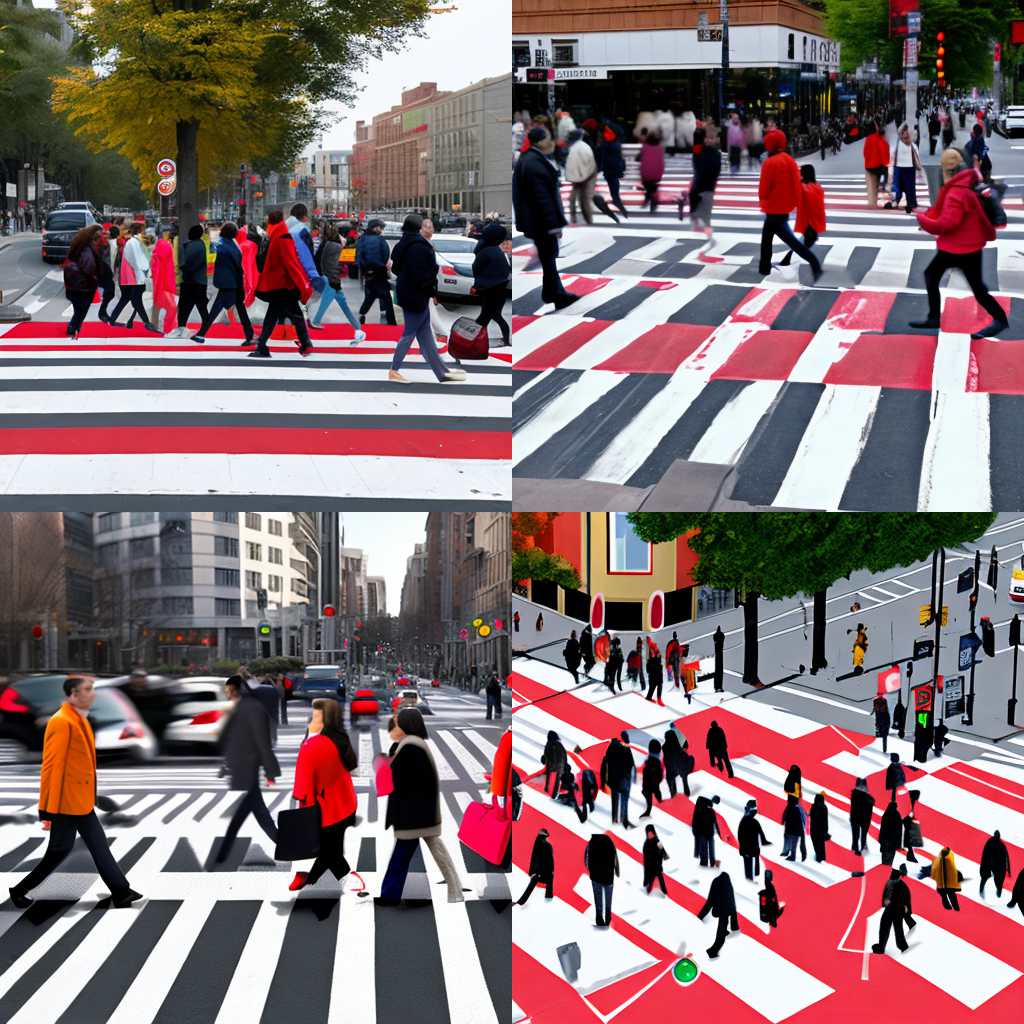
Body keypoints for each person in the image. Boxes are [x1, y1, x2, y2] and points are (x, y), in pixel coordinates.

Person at [8, 675, 143, 909]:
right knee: (59, 851)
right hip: (65, 803)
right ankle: (20, 889)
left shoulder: (78, 719)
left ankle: (121, 892)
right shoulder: (61, 722)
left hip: (79, 801)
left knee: (93, 846)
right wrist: (47, 810)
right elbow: (52, 767)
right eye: (87, 690)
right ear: (73, 694)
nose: (92, 694)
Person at [910, 147, 1007, 339]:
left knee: (970, 287)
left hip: (959, 248)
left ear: (946, 170)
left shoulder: (956, 192)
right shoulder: (967, 185)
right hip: (965, 246)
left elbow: (947, 223)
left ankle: (1000, 320)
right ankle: (934, 317)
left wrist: (922, 219)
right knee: (938, 277)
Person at [377, 709, 464, 905]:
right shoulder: (411, 745)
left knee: (401, 857)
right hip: (420, 813)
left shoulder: (411, 748)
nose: (395, 726)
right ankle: (455, 891)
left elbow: (400, 781)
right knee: (434, 852)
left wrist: (386, 764)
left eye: (398, 723)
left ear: (407, 725)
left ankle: (389, 896)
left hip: (414, 815)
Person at [288, 698, 357, 892]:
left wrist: (302, 803)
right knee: (331, 849)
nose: (311, 720)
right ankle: (311, 880)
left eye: (315, 716)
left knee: (329, 851)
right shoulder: (340, 739)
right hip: (344, 804)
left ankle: (346, 883)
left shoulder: (312, 745)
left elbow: (302, 786)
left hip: (324, 809)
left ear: (326, 720)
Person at [389, 213, 465, 385]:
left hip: (409, 293)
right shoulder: (419, 247)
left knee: (426, 336)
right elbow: (423, 274)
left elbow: (397, 269)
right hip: (417, 295)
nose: (427, 228)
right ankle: (394, 369)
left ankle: (442, 372)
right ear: (418, 228)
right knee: (409, 334)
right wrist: (431, 287)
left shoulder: (403, 244)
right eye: (424, 225)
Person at [216, 675, 280, 863]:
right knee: (254, 810)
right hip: (243, 766)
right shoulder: (240, 708)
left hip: (248, 766)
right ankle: (283, 843)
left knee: (248, 811)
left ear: (235, 689)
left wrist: (270, 770)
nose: (226, 693)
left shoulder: (250, 708)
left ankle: (223, 852)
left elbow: (262, 741)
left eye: (227, 689)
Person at [512, 126, 576, 310]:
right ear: (540, 140)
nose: (551, 141)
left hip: (537, 221)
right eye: (548, 137)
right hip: (541, 222)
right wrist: (553, 225)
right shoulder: (533, 162)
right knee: (548, 258)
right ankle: (554, 294)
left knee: (549, 258)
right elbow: (542, 198)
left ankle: (555, 293)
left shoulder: (531, 159)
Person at [249, 210, 314, 359]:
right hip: (282, 285)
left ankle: (264, 346)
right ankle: (304, 343)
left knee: (281, 316)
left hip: (282, 285)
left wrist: (301, 283)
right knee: (282, 315)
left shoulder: (281, 237)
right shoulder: (280, 235)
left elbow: (290, 263)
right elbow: (291, 263)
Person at [758, 130, 822, 280]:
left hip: (773, 207)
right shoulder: (789, 160)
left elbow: (764, 188)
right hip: (784, 207)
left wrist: (763, 199)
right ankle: (764, 267)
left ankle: (814, 263)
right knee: (767, 238)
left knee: (789, 241)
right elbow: (796, 185)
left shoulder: (769, 163)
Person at [190, 222, 253, 344]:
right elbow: (239, 268)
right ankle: (249, 335)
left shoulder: (220, 244)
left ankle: (201, 334)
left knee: (217, 310)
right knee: (239, 310)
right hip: (233, 283)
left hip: (226, 283)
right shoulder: (233, 247)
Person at [309, 223, 366, 341]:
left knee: (343, 305)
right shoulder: (336, 247)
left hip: (331, 278)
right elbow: (349, 259)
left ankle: (357, 326)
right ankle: (315, 321)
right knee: (328, 304)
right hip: (333, 280)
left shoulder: (328, 245)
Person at [106, 223, 160, 332]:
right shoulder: (136, 243)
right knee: (136, 300)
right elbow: (138, 261)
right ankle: (147, 323)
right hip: (134, 278)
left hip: (126, 278)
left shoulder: (131, 242)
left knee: (126, 298)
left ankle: (114, 319)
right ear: (140, 231)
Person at [166, 223, 209, 338]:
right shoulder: (200, 244)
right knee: (199, 307)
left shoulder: (192, 246)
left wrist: (183, 269)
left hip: (191, 281)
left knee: (185, 306)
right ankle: (201, 328)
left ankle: (182, 328)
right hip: (198, 282)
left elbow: (190, 264)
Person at [472, 220, 511, 346]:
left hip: (488, 290)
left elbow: (476, 268)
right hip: (497, 290)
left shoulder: (483, 249)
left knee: (486, 317)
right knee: (489, 317)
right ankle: (474, 340)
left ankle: (475, 339)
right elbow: (505, 271)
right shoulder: (494, 251)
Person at [779, 165, 825, 270]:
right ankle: (813, 265)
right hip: (809, 220)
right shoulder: (807, 186)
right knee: (807, 242)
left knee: (806, 243)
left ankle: (787, 259)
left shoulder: (811, 185)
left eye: (801, 172)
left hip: (812, 220)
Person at [63, 224, 102, 340]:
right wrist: (95, 279)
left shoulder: (78, 246)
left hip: (73, 285)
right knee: (81, 311)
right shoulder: (88, 250)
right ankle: (73, 330)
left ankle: (74, 328)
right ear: (94, 239)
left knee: (78, 310)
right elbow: (89, 267)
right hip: (84, 287)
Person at [355, 219, 397, 326]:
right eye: (381, 227)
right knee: (386, 297)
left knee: (371, 295)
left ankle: (361, 314)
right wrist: (382, 266)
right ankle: (391, 322)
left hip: (368, 272)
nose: (382, 230)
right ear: (375, 227)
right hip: (380, 271)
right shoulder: (380, 240)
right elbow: (386, 254)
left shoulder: (362, 239)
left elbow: (358, 257)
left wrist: (364, 270)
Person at [698, 869, 739, 958]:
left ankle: (713, 952)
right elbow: (732, 899)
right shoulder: (727, 881)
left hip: (723, 909)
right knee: (722, 929)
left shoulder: (716, 881)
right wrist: (735, 925)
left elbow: (710, 901)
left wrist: (699, 917)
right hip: (730, 909)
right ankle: (714, 948)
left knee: (721, 931)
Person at [871, 869, 910, 954]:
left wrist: (886, 902)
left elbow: (888, 895)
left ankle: (883, 947)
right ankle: (902, 946)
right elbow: (906, 898)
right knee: (896, 928)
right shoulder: (900, 884)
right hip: (895, 908)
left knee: (888, 927)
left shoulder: (893, 883)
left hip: (895, 908)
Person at [585, 832, 619, 926]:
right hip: (608, 877)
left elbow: (586, 859)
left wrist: (589, 869)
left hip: (595, 877)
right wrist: (617, 870)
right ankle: (608, 917)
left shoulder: (591, 842)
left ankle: (599, 918)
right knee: (608, 899)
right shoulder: (609, 841)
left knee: (598, 898)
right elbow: (615, 858)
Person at [599, 735, 634, 826]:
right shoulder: (626, 749)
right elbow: (631, 764)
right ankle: (624, 819)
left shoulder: (609, 749)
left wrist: (603, 781)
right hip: (624, 779)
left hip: (613, 780)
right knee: (624, 799)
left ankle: (614, 819)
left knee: (614, 800)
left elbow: (604, 765)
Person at [597, 120, 629, 219]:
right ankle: (618, 203)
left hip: (610, 167)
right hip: (614, 166)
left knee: (613, 186)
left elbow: (603, 155)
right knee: (614, 185)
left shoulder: (607, 140)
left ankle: (618, 203)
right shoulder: (614, 138)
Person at [887, 123, 921, 213]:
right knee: (897, 187)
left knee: (910, 188)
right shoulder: (897, 145)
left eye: (906, 132)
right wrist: (891, 170)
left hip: (909, 169)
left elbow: (917, 157)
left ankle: (911, 203)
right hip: (898, 168)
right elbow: (892, 157)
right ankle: (895, 201)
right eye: (903, 133)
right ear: (900, 134)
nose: (905, 134)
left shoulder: (913, 145)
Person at [565, 129, 597, 225]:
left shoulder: (575, 148)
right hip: (586, 175)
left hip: (583, 176)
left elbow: (573, 165)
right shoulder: (583, 147)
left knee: (579, 199)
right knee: (583, 199)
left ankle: (578, 219)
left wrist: (576, 177)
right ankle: (587, 220)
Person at [517, 828, 554, 904]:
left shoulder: (539, 843)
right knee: (547, 880)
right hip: (543, 870)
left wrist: (532, 872)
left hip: (538, 870)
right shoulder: (548, 845)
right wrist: (552, 870)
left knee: (532, 885)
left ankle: (521, 902)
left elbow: (534, 857)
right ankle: (548, 898)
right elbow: (550, 860)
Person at [738, 799, 770, 879]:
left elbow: (741, 836)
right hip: (750, 848)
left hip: (750, 848)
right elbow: (741, 836)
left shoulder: (748, 821)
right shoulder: (752, 822)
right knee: (750, 867)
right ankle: (750, 879)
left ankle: (750, 879)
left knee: (749, 867)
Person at [863, 121, 890, 208]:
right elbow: (886, 151)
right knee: (877, 184)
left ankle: (872, 203)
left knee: (871, 186)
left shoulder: (868, 139)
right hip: (880, 166)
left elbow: (865, 153)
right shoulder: (881, 138)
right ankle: (879, 200)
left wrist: (868, 159)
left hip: (870, 166)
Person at [692, 794, 722, 867]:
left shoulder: (708, 811)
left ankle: (707, 862)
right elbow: (715, 823)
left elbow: (715, 822)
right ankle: (706, 863)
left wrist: (719, 833)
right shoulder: (703, 810)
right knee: (706, 849)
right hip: (704, 832)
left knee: (707, 849)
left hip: (707, 833)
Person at [638, 130, 665, 212]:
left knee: (648, 185)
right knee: (653, 187)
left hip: (645, 173)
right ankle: (652, 200)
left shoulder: (645, 147)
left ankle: (649, 198)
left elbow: (639, 157)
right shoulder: (660, 148)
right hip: (657, 173)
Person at [980, 830, 1012, 897]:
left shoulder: (991, 842)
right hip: (993, 864)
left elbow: (984, 854)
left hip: (995, 865)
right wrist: (1008, 870)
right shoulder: (1000, 845)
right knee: (990, 879)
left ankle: (997, 890)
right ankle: (996, 890)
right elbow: (1006, 858)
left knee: (989, 879)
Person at [849, 778, 875, 855]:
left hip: (855, 817)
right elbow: (869, 809)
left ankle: (855, 849)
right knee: (863, 835)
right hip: (865, 818)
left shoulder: (854, 795)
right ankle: (863, 848)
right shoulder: (868, 798)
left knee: (855, 835)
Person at [662, 728, 690, 798]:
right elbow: (685, 747)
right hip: (679, 767)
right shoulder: (677, 745)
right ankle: (685, 785)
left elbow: (664, 759)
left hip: (670, 769)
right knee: (684, 773)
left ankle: (673, 792)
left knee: (670, 777)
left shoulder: (664, 747)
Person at [640, 738, 663, 818]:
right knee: (657, 793)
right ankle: (660, 804)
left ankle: (650, 809)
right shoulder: (656, 762)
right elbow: (660, 775)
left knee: (650, 793)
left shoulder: (649, 762)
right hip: (654, 783)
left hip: (649, 784)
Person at [643, 825, 669, 894]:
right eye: (648, 834)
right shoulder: (647, 844)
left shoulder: (656, 841)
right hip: (653, 865)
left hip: (657, 864)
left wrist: (664, 855)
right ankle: (649, 890)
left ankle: (663, 890)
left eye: (651, 833)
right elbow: (646, 858)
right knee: (653, 878)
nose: (650, 835)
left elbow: (662, 849)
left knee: (659, 877)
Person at [781, 794, 807, 861]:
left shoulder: (789, 807)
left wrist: (783, 821)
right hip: (797, 829)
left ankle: (790, 855)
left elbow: (785, 816)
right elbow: (804, 817)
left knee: (791, 842)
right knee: (794, 843)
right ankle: (793, 855)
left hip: (791, 829)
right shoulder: (799, 808)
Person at [542, 730, 567, 799]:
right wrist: (565, 764)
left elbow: (547, 754)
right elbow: (564, 755)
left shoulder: (549, 743)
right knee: (557, 779)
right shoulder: (559, 744)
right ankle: (554, 794)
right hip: (559, 765)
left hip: (551, 764)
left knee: (549, 776)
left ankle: (547, 788)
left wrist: (545, 760)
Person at [878, 800, 903, 865]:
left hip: (885, 842)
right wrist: (899, 844)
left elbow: (882, 828)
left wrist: (881, 839)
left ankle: (883, 872)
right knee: (890, 861)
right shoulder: (897, 815)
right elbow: (899, 831)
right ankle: (887, 872)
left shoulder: (886, 814)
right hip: (893, 843)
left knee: (884, 861)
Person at [809, 792, 830, 862]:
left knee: (816, 843)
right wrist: (826, 831)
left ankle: (819, 856)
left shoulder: (814, 806)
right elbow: (825, 820)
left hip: (814, 829)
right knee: (821, 844)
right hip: (821, 830)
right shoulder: (824, 807)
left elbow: (810, 815)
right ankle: (821, 857)